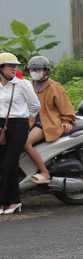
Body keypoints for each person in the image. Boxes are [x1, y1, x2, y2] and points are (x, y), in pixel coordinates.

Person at [21, 56, 76, 184]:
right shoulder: (27, 86)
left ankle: (44, 172)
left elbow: (65, 106)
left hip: (47, 123)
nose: (34, 72)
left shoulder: (54, 86)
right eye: (32, 69)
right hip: (29, 122)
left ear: (45, 71)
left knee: (26, 143)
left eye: (38, 69)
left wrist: (66, 121)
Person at [0, 53, 41, 214]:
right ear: (1, 68)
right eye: (9, 65)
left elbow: (35, 106)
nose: (13, 68)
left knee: (8, 164)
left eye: (15, 66)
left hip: (18, 126)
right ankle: (14, 201)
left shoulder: (22, 84)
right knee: (3, 165)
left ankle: (3, 202)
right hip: (0, 127)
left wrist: (22, 117)